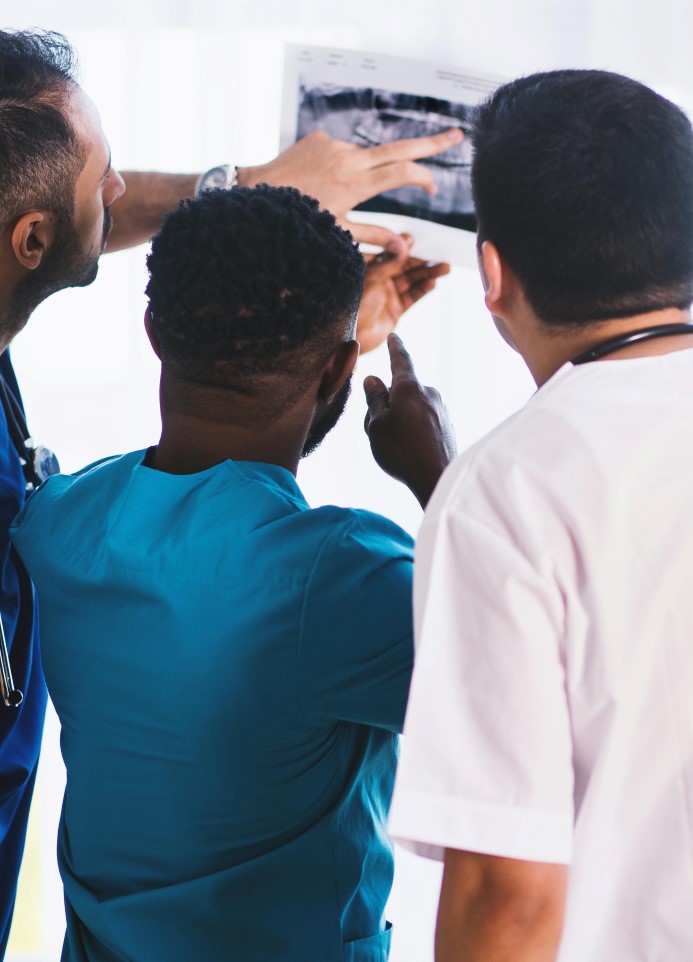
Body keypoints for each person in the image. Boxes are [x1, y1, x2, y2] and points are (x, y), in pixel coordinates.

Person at [0, 28, 456, 952]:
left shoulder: (56, 526)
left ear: (154, 333)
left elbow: (222, 501)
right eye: (103, 179)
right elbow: (518, 678)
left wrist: (323, 362)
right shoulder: (350, 580)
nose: (117, 192)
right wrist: (437, 477)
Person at [362, 70, 693, 961]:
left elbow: (507, 893)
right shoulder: (494, 493)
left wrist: (457, 496)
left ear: (491, 270)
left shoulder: (503, 491)